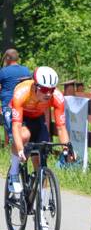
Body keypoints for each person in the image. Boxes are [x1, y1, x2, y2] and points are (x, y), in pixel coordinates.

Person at [8, 68, 75, 204]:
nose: (48, 93)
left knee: (41, 158)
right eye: (44, 89)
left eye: (52, 89)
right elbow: (16, 126)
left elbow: (61, 127)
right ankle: (13, 173)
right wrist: (20, 149)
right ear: (35, 86)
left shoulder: (57, 97)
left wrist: (67, 149)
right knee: (24, 135)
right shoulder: (21, 93)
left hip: (37, 118)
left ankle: (41, 209)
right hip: (19, 116)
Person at [0, 49, 33, 141]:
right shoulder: (25, 70)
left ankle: (14, 151)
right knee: (23, 129)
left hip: (8, 105)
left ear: (7, 58)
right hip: (24, 105)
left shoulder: (3, 71)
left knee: (12, 134)